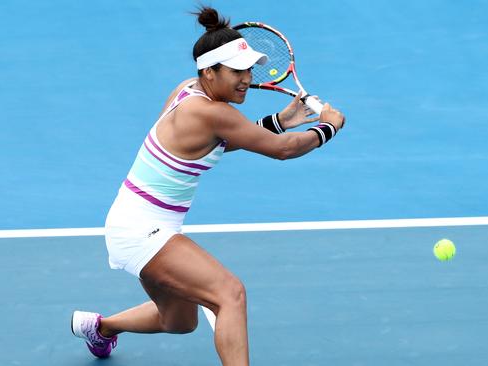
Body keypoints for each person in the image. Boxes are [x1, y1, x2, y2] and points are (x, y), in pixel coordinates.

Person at [71, 6, 345, 366]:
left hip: (131, 221)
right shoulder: (214, 113)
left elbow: (212, 142)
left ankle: (101, 328)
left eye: (249, 69)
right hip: (143, 230)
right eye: (236, 71)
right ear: (209, 71)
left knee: (179, 321)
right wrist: (328, 127)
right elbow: (283, 150)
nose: (247, 78)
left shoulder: (187, 91)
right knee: (229, 293)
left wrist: (277, 120)